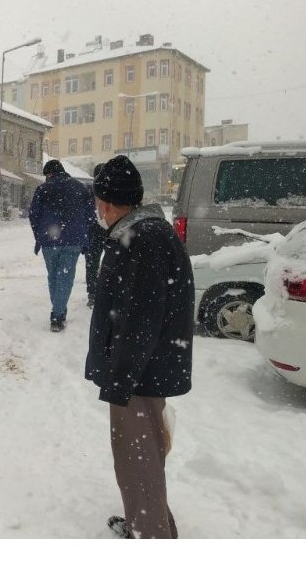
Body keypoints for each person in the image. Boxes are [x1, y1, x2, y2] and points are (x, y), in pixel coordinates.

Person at [84, 155, 194, 539]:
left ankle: (150, 534)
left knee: (137, 456)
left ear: (108, 203)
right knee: (144, 451)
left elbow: (142, 318)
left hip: (140, 372)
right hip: (146, 367)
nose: (97, 209)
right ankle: (152, 522)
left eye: (99, 201)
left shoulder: (142, 238)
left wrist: (122, 378)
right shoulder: (143, 232)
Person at [28, 159, 95, 332]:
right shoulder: (80, 187)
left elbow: (34, 215)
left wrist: (39, 235)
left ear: (50, 174)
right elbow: (90, 215)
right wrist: (83, 232)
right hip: (73, 240)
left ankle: (58, 312)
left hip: (49, 240)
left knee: (53, 276)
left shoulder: (43, 189)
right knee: (65, 276)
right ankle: (58, 315)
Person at [83, 163, 107, 308]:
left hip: (93, 231)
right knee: (112, 261)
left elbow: (85, 211)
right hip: (110, 230)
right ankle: (107, 292)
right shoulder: (112, 189)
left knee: (91, 263)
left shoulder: (89, 190)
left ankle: (92, 294)